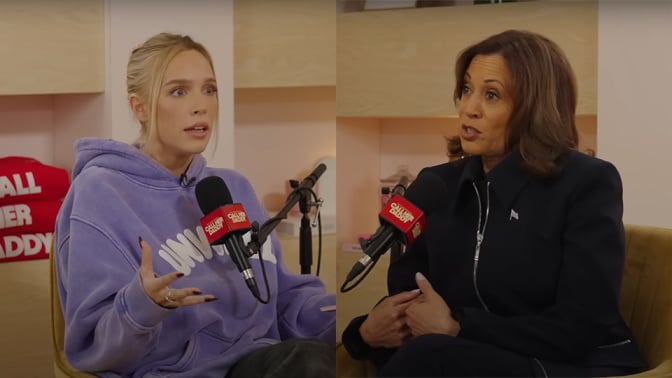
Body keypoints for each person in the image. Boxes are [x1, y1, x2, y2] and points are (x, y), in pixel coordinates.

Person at [341, 29, 647, 377]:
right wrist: (363, 333)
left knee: (432, 355)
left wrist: (459, 327)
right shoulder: (437, 184)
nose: (469, 109)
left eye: (491, 95)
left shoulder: (587, 183)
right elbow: (411, 297)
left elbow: (581, 326)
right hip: (469, 354)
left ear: (534, 107)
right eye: (467, 89)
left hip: (574, 363)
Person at [54, 32, 335, 377]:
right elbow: (93, 347)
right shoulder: (100, 193)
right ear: (138, 107)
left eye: (209, 89)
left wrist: (352, 321)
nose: (200, 105)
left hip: (262, 360)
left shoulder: (232, 187)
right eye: (178, 91)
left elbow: (280, 298)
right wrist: (143, 305)